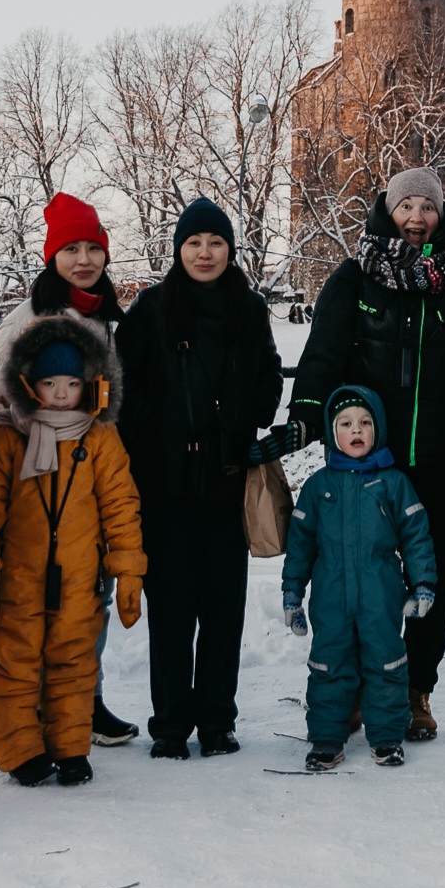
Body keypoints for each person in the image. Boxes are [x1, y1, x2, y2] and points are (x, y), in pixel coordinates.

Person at [290, 167, 445, 741]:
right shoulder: (351, 281)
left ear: (442, 216)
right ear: (387, 212)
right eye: (406, 206)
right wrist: (305, 414)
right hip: (369, 459)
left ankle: (416, 689)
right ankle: (363, 685)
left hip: (442, 456)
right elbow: (322, 356)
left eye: (428, 207)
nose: (417, 217)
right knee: (362, 575)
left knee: (429, 573)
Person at [115, 197, 285, 758]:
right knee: (170, 609)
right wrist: (155, 428)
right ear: (178, 250)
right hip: (164, 483)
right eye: (194, 243)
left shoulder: (249, 307)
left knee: (221, 606)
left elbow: (267, 373)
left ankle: (216, 719)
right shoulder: (152, 308)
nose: (205, 253)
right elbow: (126, 385)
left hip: (226, 479)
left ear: (230, 249)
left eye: (215, 243)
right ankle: (169, 724)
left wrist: (250, 412)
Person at [0, 191, 138, 747]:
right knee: (31, 613)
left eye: (94, 247)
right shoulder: (30, 319)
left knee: (81, 605)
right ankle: (30, 719)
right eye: (72, 248)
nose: (85, 259)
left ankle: (81, 703)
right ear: (53, 256)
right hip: (34, 487)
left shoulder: (109, 320)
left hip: (86, 481)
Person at [0, 317, 146, 786]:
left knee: (73, 661)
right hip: (18, 579)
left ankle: (70, 746)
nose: (63, 393)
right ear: (29, 384)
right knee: (16, 663)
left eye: (72, 383)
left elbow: (120, 504)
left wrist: (127, 570)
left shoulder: (99, 437)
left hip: (79, 576)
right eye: (51, 383)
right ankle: (20, 750)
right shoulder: (6, 438)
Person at [281, 386, 438, 771]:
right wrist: (292, 594)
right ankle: (325, 739)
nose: (357, 430)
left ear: (378, 429)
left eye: (365, 423)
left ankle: (386, 737)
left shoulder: (392, 483)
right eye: (346, 423)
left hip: (380, 592)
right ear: (333, 433)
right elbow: (300, 545)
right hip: (331, 594)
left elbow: (416, 534)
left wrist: (423, 584)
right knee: (328, 664)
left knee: (386, 662)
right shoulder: (319, 486)